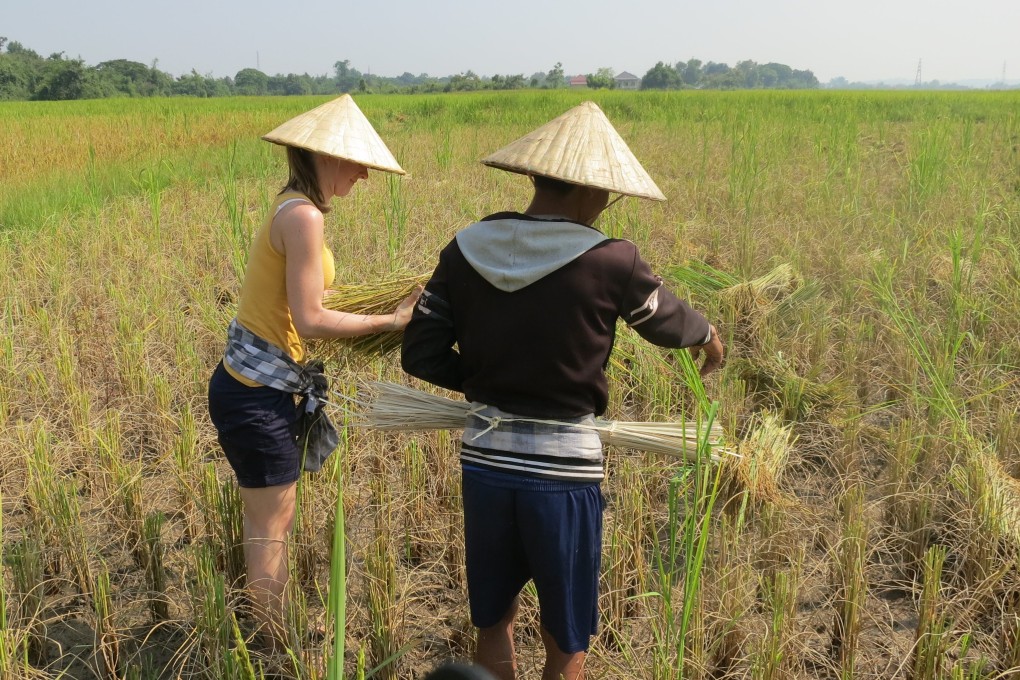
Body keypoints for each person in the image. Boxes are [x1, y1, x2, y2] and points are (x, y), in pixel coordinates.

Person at [401, 101, 724, 680]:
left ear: (534, 175)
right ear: (593, 190)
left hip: (486, 463)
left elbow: (419, 353)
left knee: (492, 620)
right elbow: (669, 323)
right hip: (563, 476)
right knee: (566, 634)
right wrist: (709, 337)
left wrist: (483, 383)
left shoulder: (465, 247)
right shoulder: (611, 260)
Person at [208, 94, 420, 651]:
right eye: (359, 162)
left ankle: (277, 631)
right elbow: (312, 317)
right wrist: (392, 320)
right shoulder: (302, 216)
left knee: (276, 518)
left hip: (264, 388)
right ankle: (278, 649)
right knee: (269, 531)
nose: (366, 175)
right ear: (328, 156)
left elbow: (305, 302)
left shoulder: (296, 206)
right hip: (257, 394)